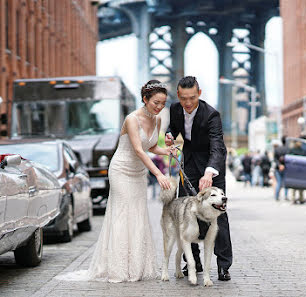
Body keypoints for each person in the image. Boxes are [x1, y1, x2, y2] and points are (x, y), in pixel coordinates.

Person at [58, 80, 173, 283]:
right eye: (156, 102)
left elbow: (151, 146)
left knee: (137, 215)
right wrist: (158, 173)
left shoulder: (157, 120)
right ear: (145, 99)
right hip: (121, 170)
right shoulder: (131, 119)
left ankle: (135, 266)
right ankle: (118, 268)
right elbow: (138, 149)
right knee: (122, 214)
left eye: (163, 103)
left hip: (138, 174)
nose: (159, 107)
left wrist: (167, 151)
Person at [165, 76, 232, 281]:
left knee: (218, 213)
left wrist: (210, 173)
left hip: (213, 166)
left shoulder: (212, 115)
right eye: (184, 98)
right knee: (187, 213)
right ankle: (192, 261)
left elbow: (217, 145)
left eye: (192, 98)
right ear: (178, 95)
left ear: (199, 94)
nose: (187, 103)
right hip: (190, 165)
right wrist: (169, 133)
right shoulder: (175, 109)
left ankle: (223, 265)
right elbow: (174, 128)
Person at [273, 136, 289, 201]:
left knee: (279, 182)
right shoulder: (288, 149)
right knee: (285, 183)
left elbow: (275, 159)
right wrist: (283, 165)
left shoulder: (277, 149)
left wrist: (279, 165)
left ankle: (277, 196)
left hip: (278, 168)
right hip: (286, 168)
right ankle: (285, 196)